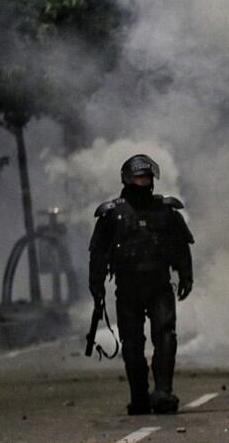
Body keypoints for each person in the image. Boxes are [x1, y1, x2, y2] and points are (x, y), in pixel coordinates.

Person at [89, 154, 195, 415]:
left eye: (146, 177)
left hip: (159, 283)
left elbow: (181, 247)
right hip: (128, 286)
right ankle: (139, 396)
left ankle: (163, 392)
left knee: (166, 335)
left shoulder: (166, 211)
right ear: (127, 179)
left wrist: (186, 276)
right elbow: (98, 252)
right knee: (132, 343)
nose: (143, 182)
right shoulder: (112, 213)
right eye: (138, 177)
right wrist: (97, 284)